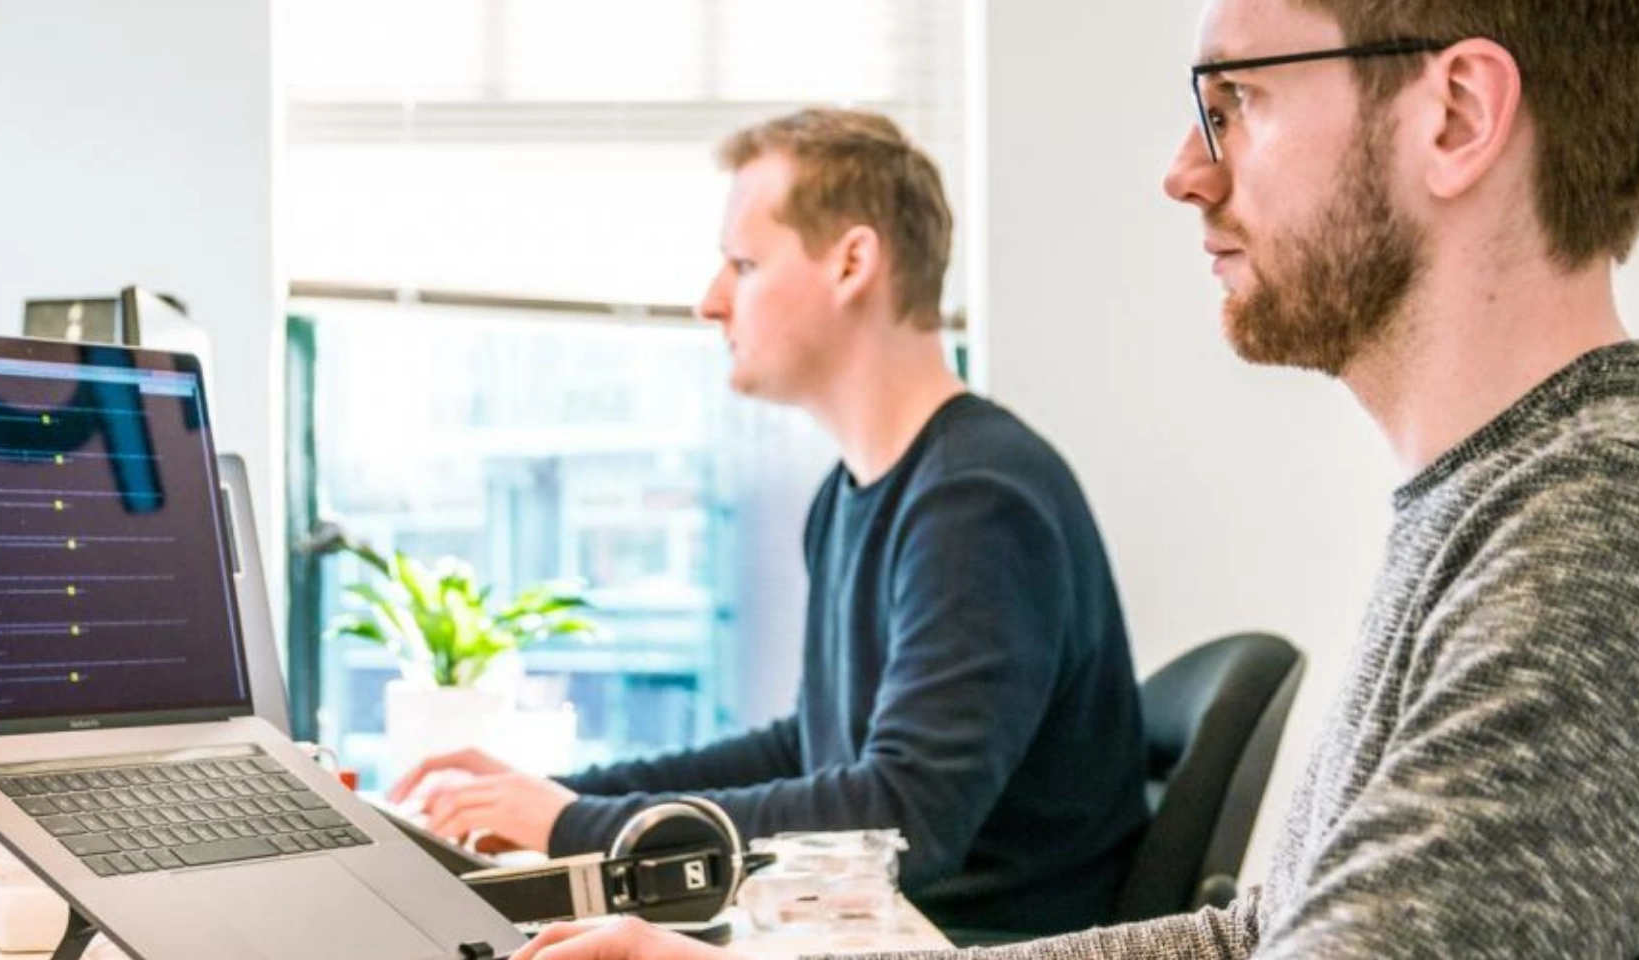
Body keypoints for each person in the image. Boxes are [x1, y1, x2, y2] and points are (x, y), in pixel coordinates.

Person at [508, 0, 1639, 957]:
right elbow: (1252, 936)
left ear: (1453, 115)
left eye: (1235, 99)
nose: (1185, 171)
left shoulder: (1615, 527)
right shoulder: (1498, 498)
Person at [387, 108, 1150, 937]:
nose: (709, 302)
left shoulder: (978, 501)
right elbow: (810, 750)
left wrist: (573, 827)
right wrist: (567, 796)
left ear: (853, 262)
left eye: (743, 264)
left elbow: (903, 820)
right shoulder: (855, 494)